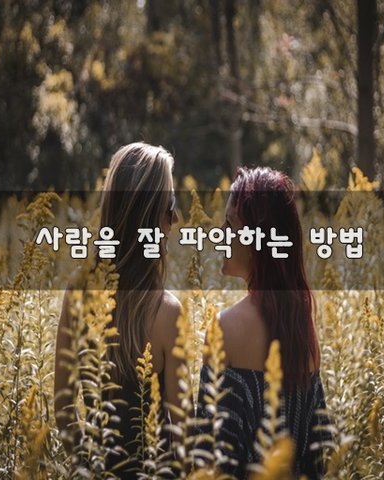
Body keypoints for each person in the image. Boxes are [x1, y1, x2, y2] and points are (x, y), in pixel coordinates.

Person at [54, 142, 183, 478]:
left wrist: (91, 470)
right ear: (150, 218)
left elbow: (64, 410)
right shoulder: (167, 313)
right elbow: (181, 432)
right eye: (170, 206)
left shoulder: (78, 293)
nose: (175, 219)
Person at [196, 166, 331, 479]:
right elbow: (320, 456)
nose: (220, 234)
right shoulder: (301, 328)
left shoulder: (224, 330)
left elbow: (208, 458)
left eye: (230, 224)